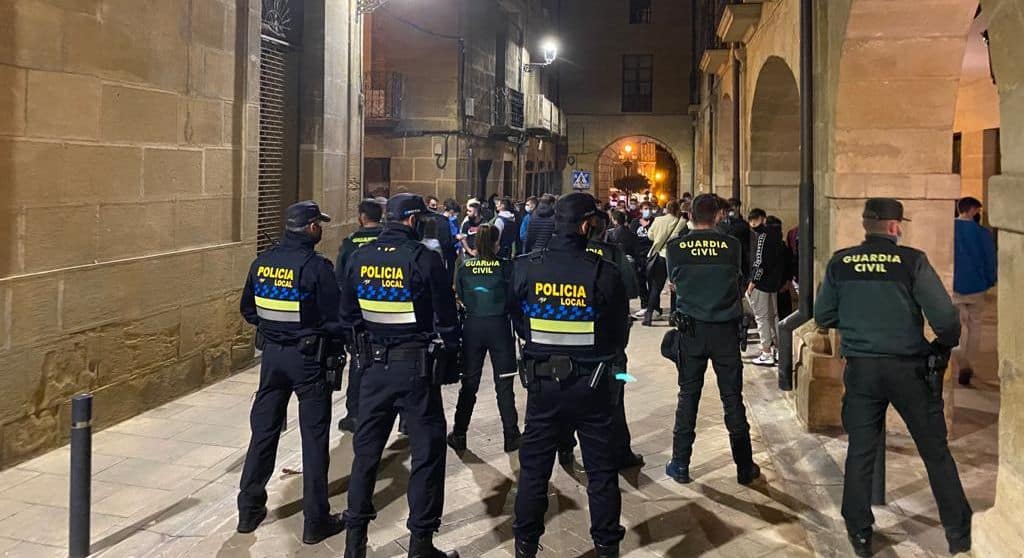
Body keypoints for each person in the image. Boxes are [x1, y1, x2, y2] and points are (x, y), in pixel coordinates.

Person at [814, 198, 971, 557]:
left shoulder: (841, 261)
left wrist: (857, 324)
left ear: (866, 225)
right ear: (895, 226)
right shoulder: (911, 261)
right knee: (935, 452)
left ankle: (860, 532)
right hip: (909, 369)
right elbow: (946, 318)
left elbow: (823, 313)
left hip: (862, 369)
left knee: (861, 450)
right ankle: (958, 534)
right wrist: (941, 345)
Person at [339, 194, 462, 558]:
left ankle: (354, 543)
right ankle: (421, 545)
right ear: (411, 220)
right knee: (426, 453)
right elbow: (447, 318)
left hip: (373, 368)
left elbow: (347, 315)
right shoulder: (424, 259)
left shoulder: (360, 257)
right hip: (415, 370)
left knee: (366, 454)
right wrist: (451, 354)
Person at [511, 193, 630, 558]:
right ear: (584, 225)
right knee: (601, 470)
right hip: (592, 387)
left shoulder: (526, 267)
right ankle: (606, 545)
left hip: (544, 386)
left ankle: (526, 544)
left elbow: (518, 321)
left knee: (533, 470)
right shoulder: (604, 270)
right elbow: (617, 333)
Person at [237, 201, 345, 544]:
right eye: (319, 224)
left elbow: (248, 310)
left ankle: (249, 511)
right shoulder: (317, 268)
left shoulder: (262, 263)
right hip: (309, 360)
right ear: (311, 227)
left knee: (263, 433)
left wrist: (275, 332)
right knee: (314, 440)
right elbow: (334, 319)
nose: (321, 229)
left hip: (272, 359)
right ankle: (315, 521)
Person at [664, 194, 761, 487]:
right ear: (718, 215)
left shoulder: (676, 247)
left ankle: (680, 464)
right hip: (725, 332)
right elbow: (740, 281)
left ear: (690, 214)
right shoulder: (731, 246)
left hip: (691, 330)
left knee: (688, 396)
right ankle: (744, 467)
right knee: (732, 398)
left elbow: (674, 282)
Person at [447, 224, 521, 453]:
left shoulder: (465, 266)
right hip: (500, 326)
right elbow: (515, 298)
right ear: (496, 244)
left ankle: (459, 433)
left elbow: (458, 294)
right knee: (504, 384)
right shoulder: (507, 267)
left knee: (469, 382)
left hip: (473, 327)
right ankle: (511, 436)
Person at [336, 200, 385, 433]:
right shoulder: (389, 240)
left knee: (358, 362)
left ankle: (354, 413)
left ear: (362, 217)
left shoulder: (350, 243)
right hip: (386, 311)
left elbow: (341, 280)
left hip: (357, 313)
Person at [952, 196, 996, 386]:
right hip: (976, 285)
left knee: (958, 326)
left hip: (954, 284)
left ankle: (961, 361)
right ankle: (968, 362)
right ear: (971, 210)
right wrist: (990, 280)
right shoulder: (982, 233)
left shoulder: (948, 228)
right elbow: (990, 259)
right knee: (975, 325)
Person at [746, 208, 784, 365]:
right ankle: (779, 350)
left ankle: (766, 351)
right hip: (774, 282)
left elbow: (759, 261)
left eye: (754, 220)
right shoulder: (777, 235)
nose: (753, 224)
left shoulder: (762, 236)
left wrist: (753, 281)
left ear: (761, 219)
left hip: (762, 283)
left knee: (761, 317)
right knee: (774, 316)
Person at [641, 200, 687, 326]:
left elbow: (650, 236)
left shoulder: (658, 220)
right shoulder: (682, 222)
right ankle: (673, 317)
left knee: (656, 287)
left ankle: (648, 315)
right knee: (674, 288)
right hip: (675, 258)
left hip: (660, 256)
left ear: (666, 209)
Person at [629, 202, 657, 314]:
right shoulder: (635, 222)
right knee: (640, 282)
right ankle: (644, 305)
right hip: (639, 256)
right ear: (641, 210)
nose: (648, 211)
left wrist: (648, 226)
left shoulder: (655, 222)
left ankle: (653, 307)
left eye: (650, 208)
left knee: (653, 282)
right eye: (645, 208)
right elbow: (631, 237)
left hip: (651, 254)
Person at [717, 197, 752, 284]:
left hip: (741, 258)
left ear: (738, 208)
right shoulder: (720, 225)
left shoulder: (742, 224)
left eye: (733, 207)